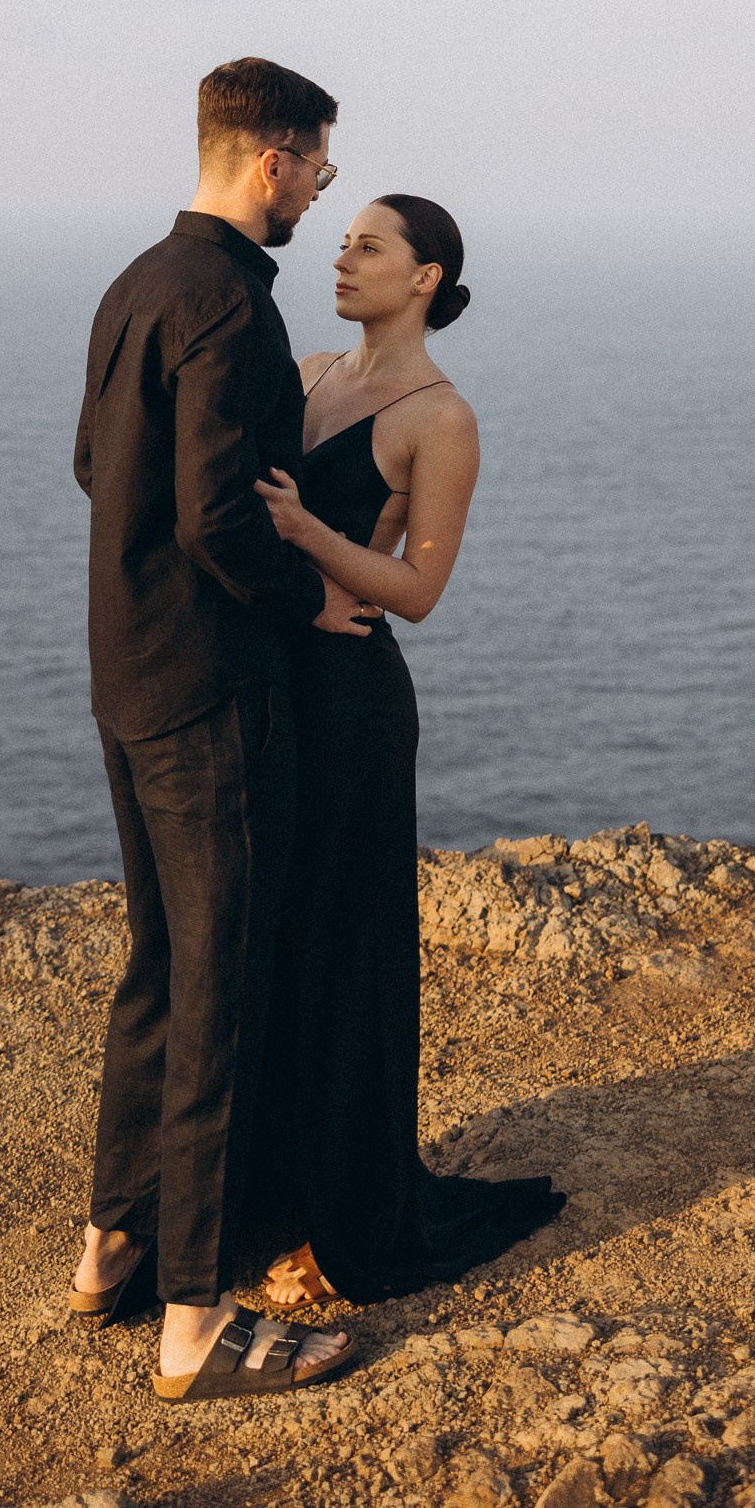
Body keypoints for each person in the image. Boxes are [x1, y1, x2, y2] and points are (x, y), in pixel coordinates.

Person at [70, 56, 371, 1401]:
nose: (322, 188)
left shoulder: (137, 283)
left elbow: (96, 463)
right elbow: (214, 514)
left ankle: (112, 1251)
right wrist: (305, 594)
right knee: (221, 995)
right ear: (270, 160)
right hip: (208, 691)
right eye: (317, 164)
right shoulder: (236, 310)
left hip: (125, 675)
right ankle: (194, 1326)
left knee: (157, 969)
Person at [248, 193, 565, 1302]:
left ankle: (348, 1209)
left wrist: (308, 534)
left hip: (352, 705)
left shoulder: (441, 417)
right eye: (341, 244)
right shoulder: (309, 374)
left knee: (344, 949)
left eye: (367, 246)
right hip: (279, 682)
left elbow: (419, 591)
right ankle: (269, 1194)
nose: (342, 258)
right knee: (274, 942)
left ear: (423, 277)